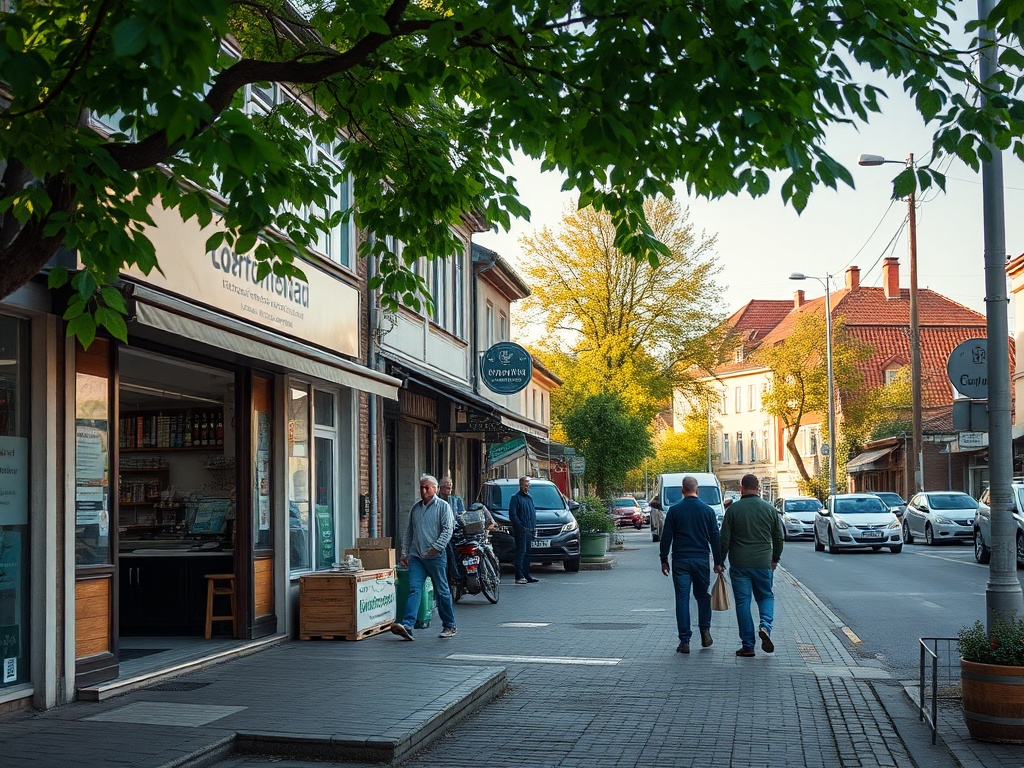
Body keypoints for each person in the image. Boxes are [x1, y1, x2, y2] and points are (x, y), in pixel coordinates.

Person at [718, 473, 784, 657]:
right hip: (763, 563)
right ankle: (765, 626)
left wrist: (720, 561)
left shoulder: (733, 510)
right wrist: (775, 559)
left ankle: (748, 645)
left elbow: (724, 539)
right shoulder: (769, 509)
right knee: (765, 597)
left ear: (741, 488)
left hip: (739, 564)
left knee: (743, 603)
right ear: (758, 488)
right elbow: (779, 537)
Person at [659, 476, 724, 653]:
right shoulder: (708, 511)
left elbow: (666, 537)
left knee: (682, 598)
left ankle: (685, 641)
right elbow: (715, 538)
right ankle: (705, 630)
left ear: (682, 490)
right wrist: (718, 562)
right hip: (701, 559)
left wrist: (664, 559)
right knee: (703, 595)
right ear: (698, 490)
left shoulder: (674, 510)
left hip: (680, 560)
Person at [391, 474, 458, 640]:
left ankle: (449, 625)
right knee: (414, 590)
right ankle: (407, 625)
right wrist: (405, 553)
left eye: (426, 487)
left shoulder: (443, 507)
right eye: (421, 487)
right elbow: (408, 533)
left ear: (435, 489)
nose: (423, 490)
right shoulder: (416, 508)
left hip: (435, 557)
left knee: (442, 591)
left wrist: (436, 548)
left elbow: (448, 529)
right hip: (417, 557)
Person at [508, 475, 539, 584]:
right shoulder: (515, 498)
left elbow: (532, 513)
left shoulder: (529, 498)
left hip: (530, 530)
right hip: (521, 531)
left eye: (528, 485)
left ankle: (526, 574)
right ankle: (519, 576)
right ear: (520, 485)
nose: (527, 487)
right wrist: (521, 527)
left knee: (527, 554)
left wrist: (533, 527)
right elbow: (513, 515)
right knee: (521, 552)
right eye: (525, 485)